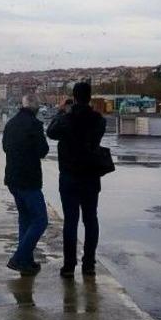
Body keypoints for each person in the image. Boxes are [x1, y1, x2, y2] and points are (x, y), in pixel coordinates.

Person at [46, 81, 106, 278]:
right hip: (90, 176)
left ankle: (69, 266)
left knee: (70, 222)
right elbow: (97, 134)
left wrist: (61, 111)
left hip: (70, 176)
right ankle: (89, 264)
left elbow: (51, 132)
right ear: (89, 97)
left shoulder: (66, 118)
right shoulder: (98, 119)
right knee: (91, 220)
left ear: (74, 96)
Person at [2, 93, 49, 276]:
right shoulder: (34, 125)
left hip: (12, 178)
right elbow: (43, 151)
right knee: (40, 220)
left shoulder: (11, 123)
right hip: (29, 179)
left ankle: (27, 261)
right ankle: (19, 258)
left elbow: (5, 147)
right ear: (36, 108)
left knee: (25, 219)